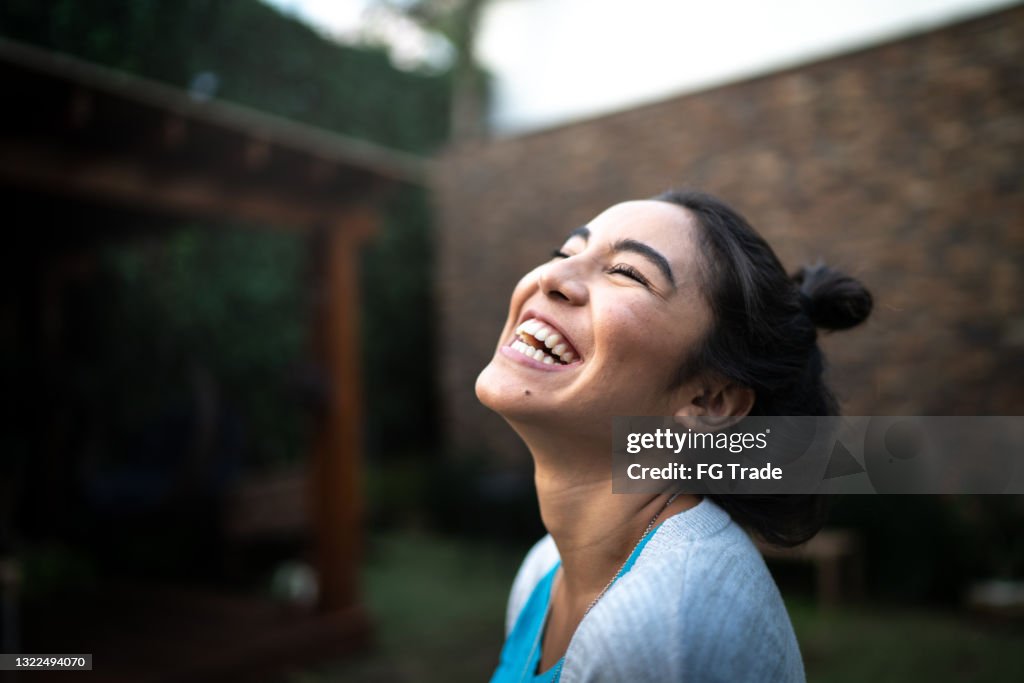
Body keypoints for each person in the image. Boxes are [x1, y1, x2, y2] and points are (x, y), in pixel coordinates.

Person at [476, 190, 872, 682]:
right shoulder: (545, 568)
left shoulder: (660, 630)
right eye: (566, 253)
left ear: (709, 401)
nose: (551, 277)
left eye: (626, 273)